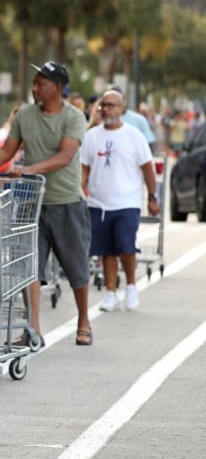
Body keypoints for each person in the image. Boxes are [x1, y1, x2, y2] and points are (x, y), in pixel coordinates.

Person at [0, 61, 91, 346]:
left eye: (42, 83)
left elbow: (65, 156)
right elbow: (6, 151)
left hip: (66, 202)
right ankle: (33, 329)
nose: (35, 87)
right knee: (28, 267)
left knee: (76, 267)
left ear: (57, 88)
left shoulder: (74, 117)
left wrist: (29, 169)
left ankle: (83, 321)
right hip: (32, 204)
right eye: (35, 82)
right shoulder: (25, 116)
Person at [80, 89, 160, 312]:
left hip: (127, 202)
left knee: (125, 246)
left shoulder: (134, 135)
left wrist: (153, 198)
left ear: (122, 109)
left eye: (111, 105)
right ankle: (111, 293)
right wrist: (79, 193)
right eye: (103, 105)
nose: (106, 109)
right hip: (98, 203)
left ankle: (132, 286)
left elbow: (148, 169)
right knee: (106, 250)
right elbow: (84, 170)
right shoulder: (91, 136)